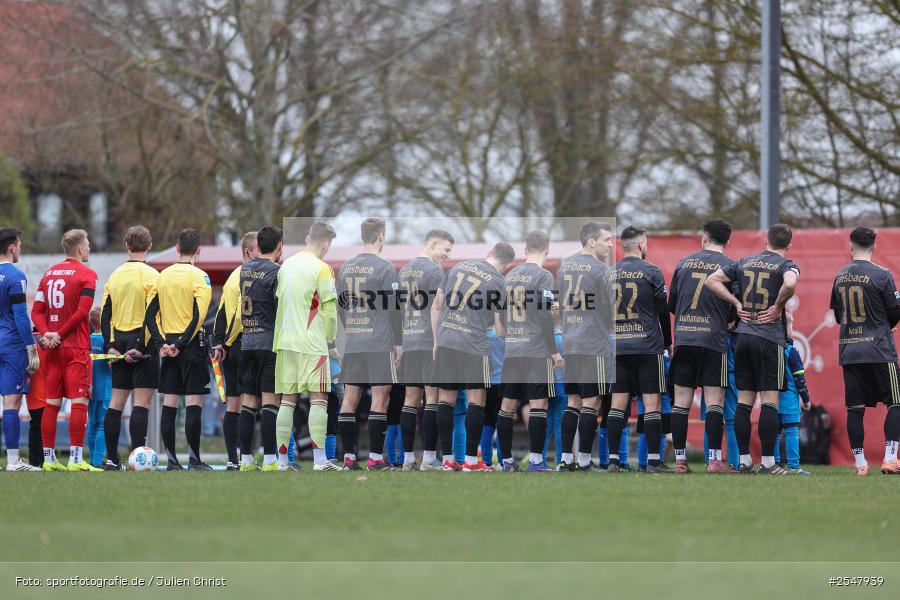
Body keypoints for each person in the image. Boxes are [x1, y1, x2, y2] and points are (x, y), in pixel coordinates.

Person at [707, 223, 799, 475]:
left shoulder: (744, 262)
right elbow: (790, 284)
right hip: (769, 338)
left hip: (743, 338)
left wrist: (736, 303)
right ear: (789, 245)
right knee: (770, 400)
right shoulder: (786, 264)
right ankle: (768, 463)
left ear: (765, 239)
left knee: (744, 401)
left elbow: (712, 280)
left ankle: (745, 461)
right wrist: (778, 306)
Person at [431, 242, 512, 472]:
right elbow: (500, 328)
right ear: (507, 266)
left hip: (446, 340)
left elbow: (436, 305)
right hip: (473, 344)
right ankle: (471, 461)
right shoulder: (499, 282)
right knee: (477, 401)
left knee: (445, 400)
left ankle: (447, 460)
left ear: (488, 254)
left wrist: (437, 341)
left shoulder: (458, 266)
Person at [828, 227, 900, 476]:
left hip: (850, 350)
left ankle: (860, 464)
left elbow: (839, 316)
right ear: (874, 246)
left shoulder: (839, 276)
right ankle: (890, 458)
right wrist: (884, 326)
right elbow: (895, 311)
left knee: (855, 408)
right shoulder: (883, 274)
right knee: (896, 402)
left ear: (850, 246)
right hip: (880, 349)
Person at [667, 219, 735, 474]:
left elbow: (672, 305)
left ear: (704, 238)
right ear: (727, 241)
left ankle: (680, 461)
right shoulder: (730, 267)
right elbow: (733, 314)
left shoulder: (683, 263)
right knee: (715, 403)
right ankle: (714, 461)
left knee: (680, 404)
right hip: (713, 341)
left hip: (685, 339)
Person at [274, 222, 342, 471]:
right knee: (319, 398)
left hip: (285, 341)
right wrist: (331, 342)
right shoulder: (322, 268)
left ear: (307, 238)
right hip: (312, 342)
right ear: (327, 243)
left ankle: (283, 462)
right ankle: (320, 461)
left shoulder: (286, 266)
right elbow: (330, 311)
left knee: (287, 401)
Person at [336, 218, 402, 471]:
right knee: (380, 398)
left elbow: (341, 307)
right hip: (378, 342)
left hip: (354, 342)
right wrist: (398, 342)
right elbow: (394, 308)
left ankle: (349, 457)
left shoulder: (346, 267)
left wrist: (351, 330)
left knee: (349, 399)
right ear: (381, 236)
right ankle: (375, 458)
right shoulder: (385, 267)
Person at [144, 228, 213, 471]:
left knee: (170, 402)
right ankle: (194, 460)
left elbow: (150, 315)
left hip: (169, 345)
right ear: (199, 250)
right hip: (191, 345)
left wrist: (162, 343)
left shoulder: (162, 276)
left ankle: (172, 461)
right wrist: (181, 343)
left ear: (177, 248)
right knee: (194, 402)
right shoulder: (200, 277)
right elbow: (199, 315)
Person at [32, 228, 100, 471]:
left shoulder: (49, 274)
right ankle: (75, 459)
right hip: (75, 346)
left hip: (51, 348)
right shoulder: (88, 274)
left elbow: (36, 312)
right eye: (88, 245)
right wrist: (59, 335)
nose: (89, 249)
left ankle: (49, 460)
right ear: (80, 249)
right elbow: (82, 312)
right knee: (79, 401)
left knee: (51, 403)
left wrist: (47, 334)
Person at [607, 226, 672, 474]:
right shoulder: (652, 271)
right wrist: (668, 343)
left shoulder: (609, 274)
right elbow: (663, 311)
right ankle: (654, 462)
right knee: (652, 403)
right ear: (641, 245)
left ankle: (613, 461)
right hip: (647, 346)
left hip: (619, 346)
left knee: (617, 405)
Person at [497, 231, 563, 473]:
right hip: (535, 349)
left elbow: (502, 314)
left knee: (507, 406)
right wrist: (554, 351)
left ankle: (505, 461)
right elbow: (544, 315)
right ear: (547, 250)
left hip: (513, 349)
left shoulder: (509, 276)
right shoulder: (543, 276)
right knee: (538, 406)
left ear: (525, 250)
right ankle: (536, 461)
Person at [98, 225, 160, 470]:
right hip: (142, 341)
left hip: (119, 341)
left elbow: (105, 315)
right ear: (150, 246)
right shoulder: (153, 276)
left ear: (127, 246)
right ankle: (138, 459)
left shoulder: (115, 275)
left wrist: (111, 346)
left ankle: (112, 459)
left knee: (116, 402)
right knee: (141, 404)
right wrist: (140, 346)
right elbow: (152, 316)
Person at [557, 221, 614, 472]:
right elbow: (608, 309)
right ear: (592, 242)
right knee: (592, 402)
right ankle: (583, 461)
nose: (610, 245)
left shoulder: (564, 269)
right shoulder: (601, 270)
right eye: (606, 240)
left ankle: (566, 459)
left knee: (573, 402)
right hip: (593, 343)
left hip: (570, 341)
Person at [397, 229, 454, 470]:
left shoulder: (404, 270)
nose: (447, 255)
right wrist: (437, 342)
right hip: (428, 342)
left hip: (409, 340)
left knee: (410, 400)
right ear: (433, 244)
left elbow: (399, 309)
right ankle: (429, 459)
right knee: (432, 399)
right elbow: (436, 309)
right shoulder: (435, 270)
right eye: (446, 249)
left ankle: (408, 458)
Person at [232, 226, 283, 471]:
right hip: (268, 342)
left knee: (248, 403)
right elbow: (279, 305)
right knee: (270, 402)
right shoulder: (277, 272)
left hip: (247, 342)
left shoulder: (244, 269)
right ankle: (270, 460)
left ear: (258, 246)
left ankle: (246, 460)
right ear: (279, 247)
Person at [212, 232, 258, 471]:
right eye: (260, 249)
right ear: (248, 252)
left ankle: (233, 459)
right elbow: (238, 315)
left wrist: (219, 342)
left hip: (231, 345)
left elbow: (221, 313)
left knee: (234, 403)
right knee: (249, 402)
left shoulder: (232, 276)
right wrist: (227, 343)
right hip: (242, 342)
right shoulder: (249, 275)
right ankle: (245, 458)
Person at [0, 227, 41, 471]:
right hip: (11, 345)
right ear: (12, 247)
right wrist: (31, 347)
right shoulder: (16, 276)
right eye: (20, 246)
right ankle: (13, 461)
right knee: (11, 403)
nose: (20, 250)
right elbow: (21, 316)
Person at [774, 313, 811, 475]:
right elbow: (799, 379)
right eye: (791, 326)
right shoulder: (792, 351)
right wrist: (806, 399)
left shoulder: (771, 351)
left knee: (774, 433)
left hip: (772, 401)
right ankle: (794, 467)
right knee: (791, 432)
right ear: (786, 329)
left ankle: (774, 464)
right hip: (789, 401)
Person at [88, 307, 111, 467]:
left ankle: (92, 459)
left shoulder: (88, 339)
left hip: (91, 389)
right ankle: (97, 461)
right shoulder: (106, 341)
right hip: (105, 389)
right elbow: (110, 365)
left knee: (93, 424)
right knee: (103, 425)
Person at [26, 329, 47, 468]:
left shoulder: (28, 340)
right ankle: (39, 460)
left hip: (33, 392)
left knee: (35, 425)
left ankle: (35, 460)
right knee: (40, 427)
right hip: (45, 391)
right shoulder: (45, 340)